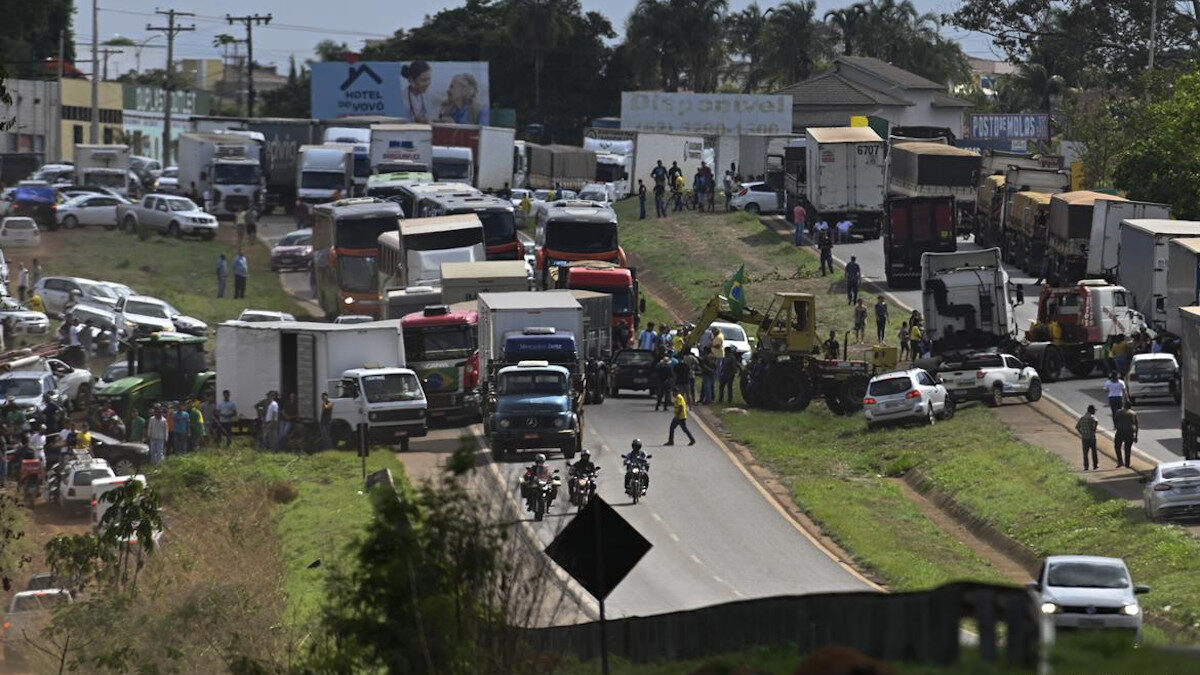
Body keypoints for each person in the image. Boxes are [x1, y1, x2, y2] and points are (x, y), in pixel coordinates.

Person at [1113, 402, 1139, 468]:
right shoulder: (1133, 413)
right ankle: (1127, 464)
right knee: (1127, 449)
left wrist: (1118, 427)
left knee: (1117, 446)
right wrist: (1136, 436)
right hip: (1129, 432)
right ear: (1130, 407)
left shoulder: (1118, 412)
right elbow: (1136, 425)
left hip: (1120, 431)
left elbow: (1115, 421)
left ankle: (1120, 462)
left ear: (1124, 406)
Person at [1075, 405, 1099, 470]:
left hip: (1084, 437)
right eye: (1094, 410)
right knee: (1094, 452)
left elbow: (1077, 426)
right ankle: (1095, 465)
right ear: (1091, 410)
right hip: (1091, 437)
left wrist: (1082, 433)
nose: (1095, 412)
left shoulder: (1082, 418)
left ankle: (1086, 466)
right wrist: (1094, 429)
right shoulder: (1092, 418)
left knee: (1085, 453)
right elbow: (1095, 424)